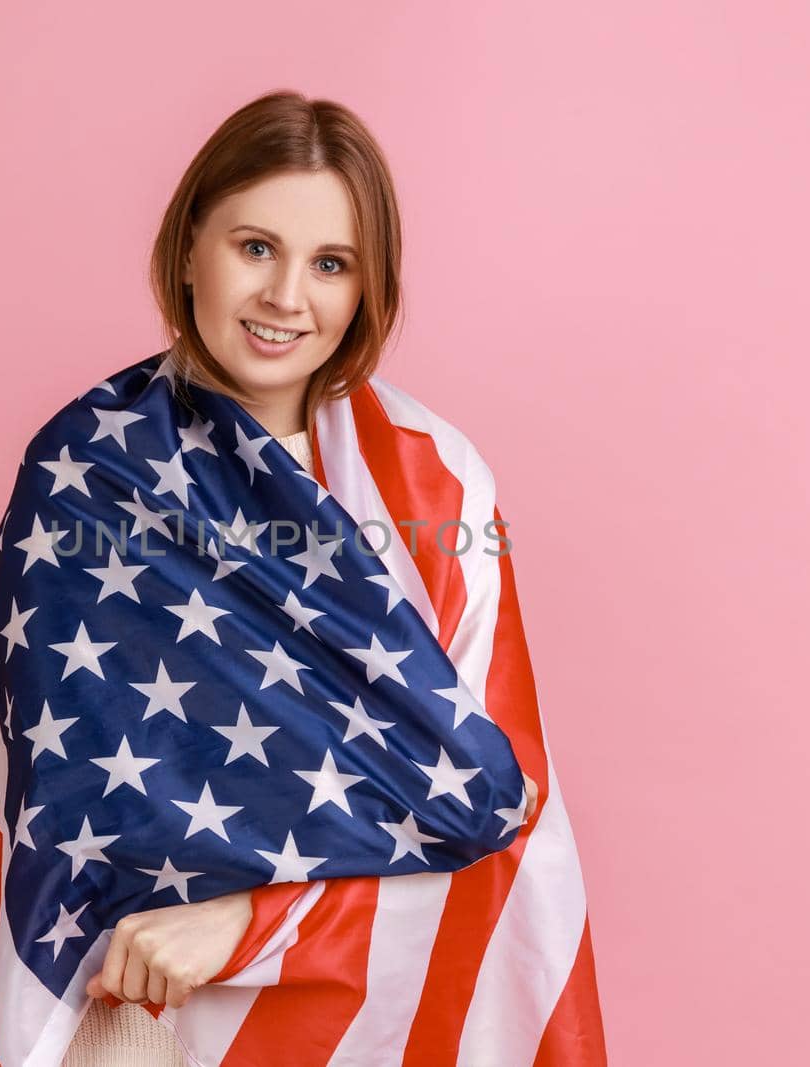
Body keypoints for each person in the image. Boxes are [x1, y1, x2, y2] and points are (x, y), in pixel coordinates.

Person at [58, 91, 541, 1065]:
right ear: (190, 243)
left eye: (330, 264)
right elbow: (55, 807)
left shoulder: (435, 484)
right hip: (132, 1002)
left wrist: (246, 917)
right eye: (254, 246)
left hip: (363, 994)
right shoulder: (94, 472)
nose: (287, 297)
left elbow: (489, 801)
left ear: (368, 288)